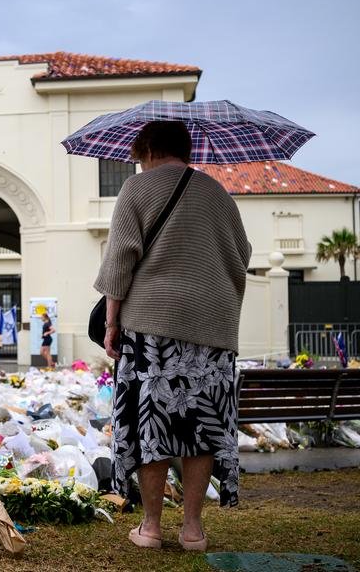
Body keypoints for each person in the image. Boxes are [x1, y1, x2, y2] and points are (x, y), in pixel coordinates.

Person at [94, 121, 251, 551]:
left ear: (145, 149)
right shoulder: (218, 193)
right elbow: (243, 252)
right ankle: (194, 530)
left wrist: (111, 324)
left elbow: (120, 262)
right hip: (212, 327)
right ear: (187, 149)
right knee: (201, 424)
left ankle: (150, 527)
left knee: (153, 424)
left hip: (151, 326)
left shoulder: (136, 188)